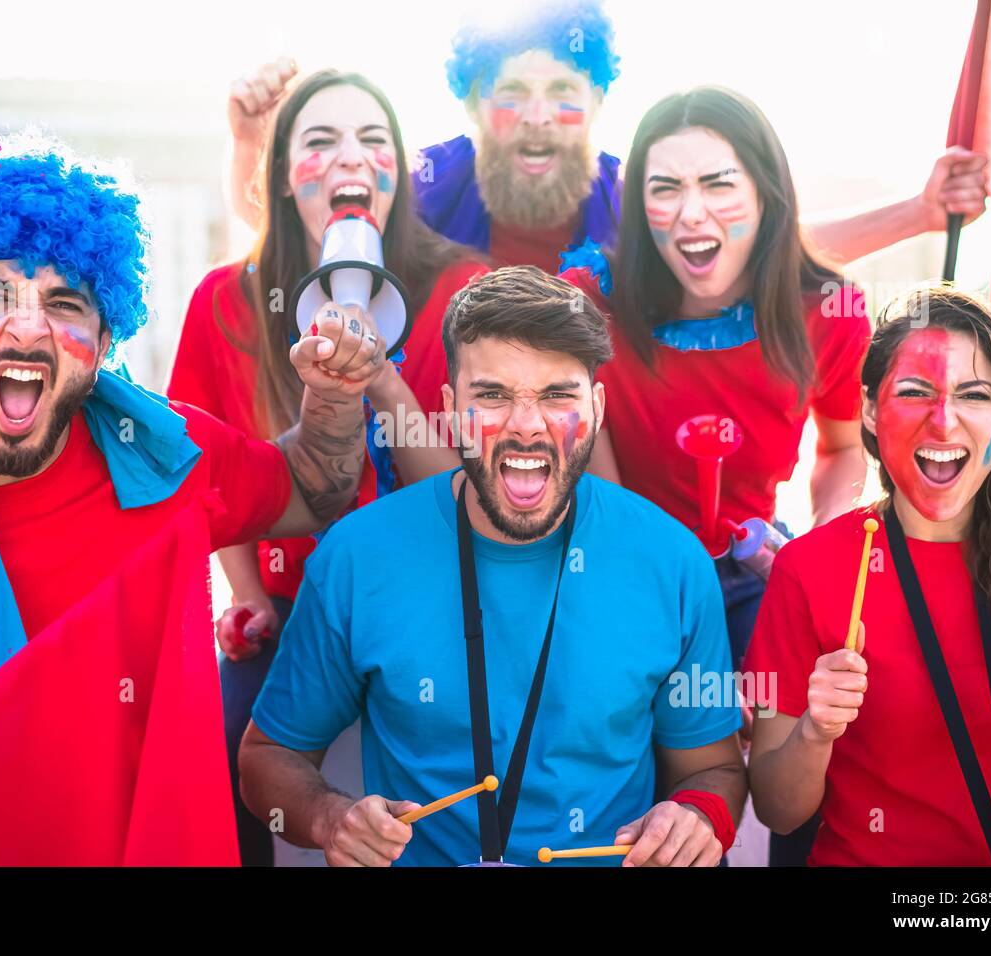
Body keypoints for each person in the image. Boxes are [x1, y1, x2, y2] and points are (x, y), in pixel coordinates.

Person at [0, 139, 385, 825]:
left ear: (101, 346)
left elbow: (314, 488)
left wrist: (333, 399)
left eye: (65, 303)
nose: (29, 326)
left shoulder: (168, 459)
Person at [239, 266, 746, 867]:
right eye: (494, 395)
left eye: (558, 395)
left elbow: (714, 768)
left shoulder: (674, 562)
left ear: (599, 407)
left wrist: (695, 817)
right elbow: (267, 758)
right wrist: (330, 819)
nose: (527, 426)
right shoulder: (356, 555)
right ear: (451, 407)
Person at [169, 68, 483, 865]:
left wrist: (382, 377)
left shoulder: (461, 288)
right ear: (279, 177)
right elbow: (202, 476)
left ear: (397, 176)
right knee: (213, 747)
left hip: (428, 604)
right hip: (288, 599)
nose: (350, 159)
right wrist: (248, 599)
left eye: (374, 141)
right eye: (319, 141)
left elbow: (462, 496)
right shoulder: (224, 302)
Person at [224, 2, 989, 275]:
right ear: (469, 100)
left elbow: (767, 243)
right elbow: (296, 229)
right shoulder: (423, 182)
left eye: (561, 95)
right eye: (510, 94)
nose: (533, 117)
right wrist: (255, 148)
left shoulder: (632, 194)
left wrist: (920, 214)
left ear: (596, 103)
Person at [744, 286, 991, 866]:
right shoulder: (809, 569)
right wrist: (815, 733)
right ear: (871, 411)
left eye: (974, 396)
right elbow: (778, 810)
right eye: (916, 392)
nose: (943, 421)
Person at [562, 87, 870, 671]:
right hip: (622, 568)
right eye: (666, 189)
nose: (691, 213)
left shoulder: (830, 312)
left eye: (718, 183)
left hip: (759, 572)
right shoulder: (589, 303)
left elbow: (844, 447)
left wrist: (815, 557)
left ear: (765, 195)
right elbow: (597, 500)